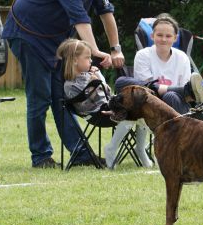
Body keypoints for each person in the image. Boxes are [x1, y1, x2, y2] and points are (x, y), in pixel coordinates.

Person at [2, 0, 125, 168]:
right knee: (41, 97)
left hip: (55, 41)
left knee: (64, 97)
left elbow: (106, 14)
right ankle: (41, 157)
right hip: (28, 36)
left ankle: (81, 155)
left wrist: (116, 48)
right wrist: (95, 51)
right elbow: (80, 19)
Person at [57, 39, 154, 169]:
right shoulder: (71, 85)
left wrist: (98, 77)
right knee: (129, 114)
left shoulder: (89, 75)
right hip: (98, 115)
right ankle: (111, 148)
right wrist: (93, 83)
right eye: (87, 57)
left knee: (140, 109)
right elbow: (88, 105)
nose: (91, 61)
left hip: (109, 108)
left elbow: (107, 91)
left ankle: (140, 149)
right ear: (75, 60)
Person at [126, 14, 203, 115]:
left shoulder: (182, 57)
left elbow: (186, 97)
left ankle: (190, 127)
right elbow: (148, 89)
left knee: (172, 96)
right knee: (170, 95)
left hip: (178, 102)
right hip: (150, 103)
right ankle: (189, 128)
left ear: (175, 38)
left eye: (168, 36)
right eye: (159, 35)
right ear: (152, 36)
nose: (163, 39)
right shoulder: (142, 55)